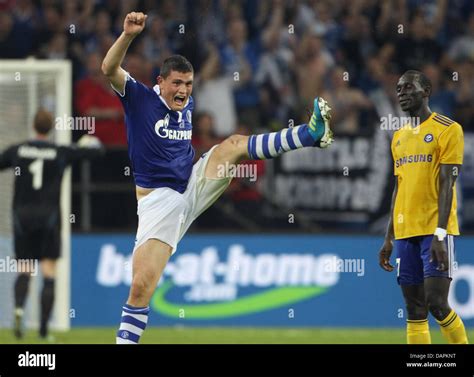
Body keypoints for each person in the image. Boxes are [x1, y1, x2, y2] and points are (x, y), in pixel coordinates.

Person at [101, 11, 333, 344]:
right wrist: (127, 36)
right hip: (158, 202)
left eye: (188, 84)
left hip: (193, 183)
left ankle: (309, 135)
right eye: (177, 83)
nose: (183, 90)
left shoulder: (188, 104)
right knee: (140, 288)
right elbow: (109, 69)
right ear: (161, 82)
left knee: (234, 145)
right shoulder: (138, 98)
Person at [378, 70, 469, 344]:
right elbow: (399, 188)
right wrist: (389, 236)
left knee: (437, 303)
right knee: (414, 310)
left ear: (426, 91)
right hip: (405, 233)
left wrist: (441, 234)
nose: (402, 93)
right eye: (398, 88)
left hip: (434, 230)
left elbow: (447, 185)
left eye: (409, 87)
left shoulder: (448, 129)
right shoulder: (399, 137)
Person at [0, 109, 103, 340]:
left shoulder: (18, 150)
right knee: (48, 272)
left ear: (33, 126)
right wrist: (89, 142)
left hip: (22, 217)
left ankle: (18, 310)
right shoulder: (59, 152)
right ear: (51, 128)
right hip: (49, 218)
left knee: (25, 269)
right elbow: (96, 154)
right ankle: (44, 328)